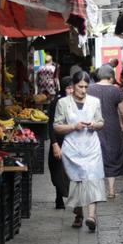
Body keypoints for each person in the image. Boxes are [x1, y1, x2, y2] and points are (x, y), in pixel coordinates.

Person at [53, 71, 106, 231]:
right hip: (72, 148)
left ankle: (91, 216)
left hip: (91, 146)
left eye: (85, 87)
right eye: (80, 86)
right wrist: (72, 126)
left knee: (93, 178)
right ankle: (79, 213)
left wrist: (94, 125)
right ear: (73, 86)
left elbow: (101, 121)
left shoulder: (95, 102)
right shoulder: (63, 103)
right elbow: (56, 126)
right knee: (76, 182)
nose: (83, 90)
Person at [87, 65, 123, 199]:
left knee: (96, 155)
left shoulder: (89, 89)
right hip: (112, 127)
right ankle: (111, 190)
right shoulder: (115, 90)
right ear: (111, 77)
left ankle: (97, 191)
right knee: (112, 156)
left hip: (93, 126)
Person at [48, 76, 74, 209]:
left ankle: (72, 199)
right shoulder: (56, 102)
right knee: (56, 169)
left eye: (73, 87)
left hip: (73, 141)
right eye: (68, 88)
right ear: (64, 89)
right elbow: (51, 124)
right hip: (59, 141)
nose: (71, 90)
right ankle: (59, 196)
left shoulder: (78, 102)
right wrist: (54, 144)